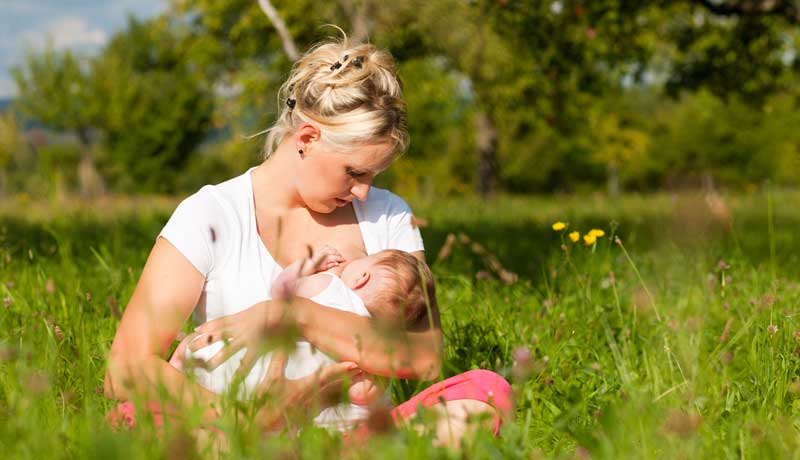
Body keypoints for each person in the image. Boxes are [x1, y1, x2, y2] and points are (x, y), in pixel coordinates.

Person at [104, 34, 512, 447]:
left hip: (358, 440)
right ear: (308, 139)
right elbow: (125, 368)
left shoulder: (388, 215)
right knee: (132, 418)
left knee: (486, 392)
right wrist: (245, 418)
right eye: (354, 172)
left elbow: (423, 356)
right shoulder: (212, 214)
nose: (363, 192)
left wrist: (294, 315)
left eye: (373, 176)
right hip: (239, 435)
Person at [177, 245, 436, 432]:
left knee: (199, 350)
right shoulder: (376, 345)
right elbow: (362, 394)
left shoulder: (329, 285)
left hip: (245, 372)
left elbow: (281, 291)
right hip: (294, 411)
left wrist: (307, 266)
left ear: (361, 278)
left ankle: (180, 362)